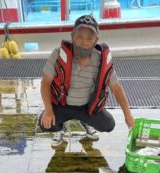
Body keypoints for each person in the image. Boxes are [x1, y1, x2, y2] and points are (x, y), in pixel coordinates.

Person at [39, 14, 135, 147]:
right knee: (45, 124)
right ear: (72, 36)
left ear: (96, 40)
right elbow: (45, 83)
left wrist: (128, 114)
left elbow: (116, 88)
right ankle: (61, 128)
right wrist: (48, 111)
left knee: (108, 125)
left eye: (90, 38)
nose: (84, 42)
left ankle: (85, 121)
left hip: (86, 107)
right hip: (62, 105)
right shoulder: (58, 54)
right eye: (80, 37)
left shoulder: (101, 60)